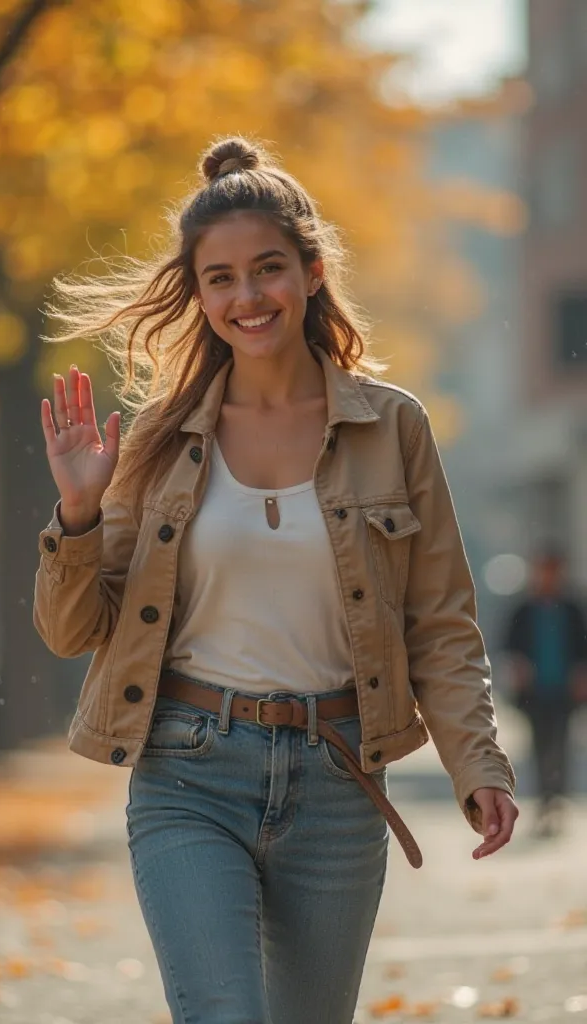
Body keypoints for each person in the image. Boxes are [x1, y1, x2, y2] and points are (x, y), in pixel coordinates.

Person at [33, 137, 518, 1024]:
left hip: (339, 781)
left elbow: (441, 623)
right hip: (188, 771)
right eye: (220, 279)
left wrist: (478, 765)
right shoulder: (158, 441)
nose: (246, 297)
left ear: (312, 269)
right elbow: (73, 630)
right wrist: (77, 513)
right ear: (199, 292)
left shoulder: (392, 427)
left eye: (267, 270)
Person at [504, 546, 587, 837]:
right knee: (540, 747)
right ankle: (544, 800)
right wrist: (518, 668)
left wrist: (581, 674)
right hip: (535, 694)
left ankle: (557, 799)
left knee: (561, 746)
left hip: (564, 693)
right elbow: (510, 646)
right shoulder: (524, 610)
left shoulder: (573, 609)